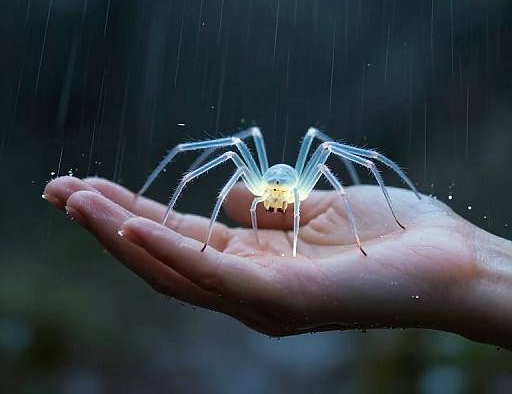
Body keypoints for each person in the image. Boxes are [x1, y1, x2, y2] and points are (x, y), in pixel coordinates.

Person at [43, 176, 512, 350]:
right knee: (235, 148)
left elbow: (335, 158)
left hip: (297, 186)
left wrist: (457, 254)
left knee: (318, 144)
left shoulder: (307, 180)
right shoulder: (256, 182)